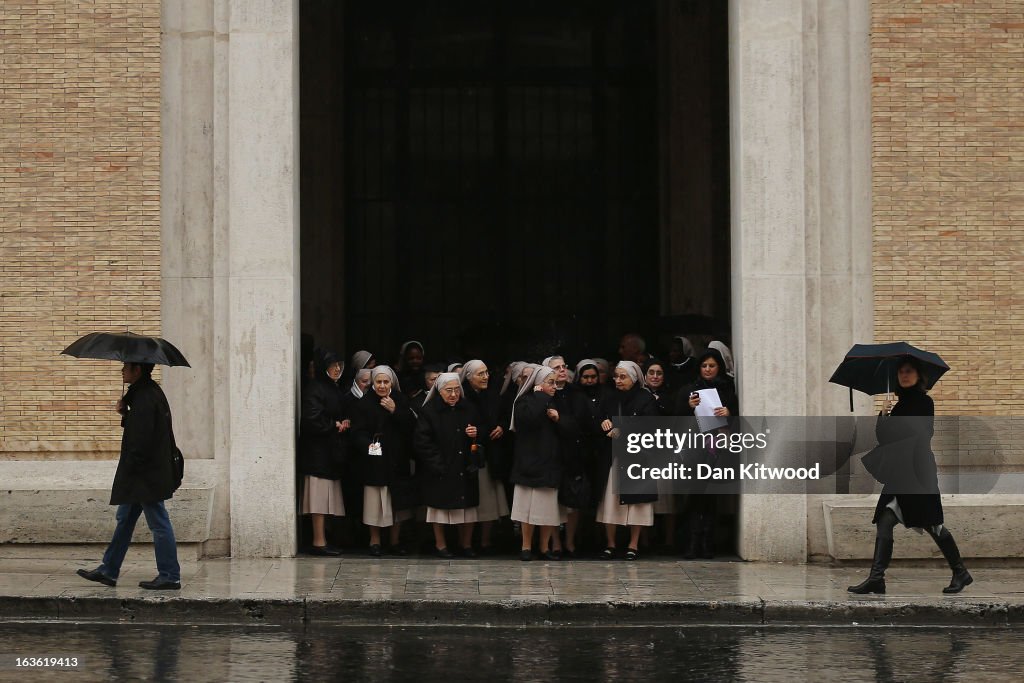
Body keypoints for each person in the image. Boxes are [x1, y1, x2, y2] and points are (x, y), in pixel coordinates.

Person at [848, 357, 973, 595]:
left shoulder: (924, 402)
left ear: (918, 376)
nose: (904, 375)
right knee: (884, 521)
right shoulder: (899, 405)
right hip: (899, 474)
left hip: (917, 474)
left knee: (933, 525)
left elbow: (921, 432)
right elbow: (884, 438)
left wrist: (895, 423)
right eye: (901, 372)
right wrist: (883, 415)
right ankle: (877, 578)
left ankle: (960, 572)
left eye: (909, 371)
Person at [77, 362, 182, 590]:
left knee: (159, 523)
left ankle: (170, 575)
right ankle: (109, 570)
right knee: (125, 520)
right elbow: (142, 429)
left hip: (145, 475)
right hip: (143, 474)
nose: (122, 370)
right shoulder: (144, 393)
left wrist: (132, 469)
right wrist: (125, 412)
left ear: (137, 370)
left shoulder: (145, 396)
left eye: (126, 367)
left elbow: (141, 440)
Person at [676, 348, 739, 559]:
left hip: (717, 448)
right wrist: (689, 406)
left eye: (712, 365)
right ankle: (692, 543)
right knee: (694, 495)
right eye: (704, 365)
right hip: (694, 447)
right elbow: (675, 417)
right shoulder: (689, 390)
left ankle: (708, 543)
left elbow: (738, 418)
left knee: (711, 496)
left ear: (719, 367)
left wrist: (728, 413)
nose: (708, 369)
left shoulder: (727, 390)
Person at [595, 361, 659, 560]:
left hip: (638, 458)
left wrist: (623, 431)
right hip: (614, 456)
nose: (618, 380)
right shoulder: (610, 397)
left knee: (638, 504)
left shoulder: (646, 398)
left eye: (623, 377)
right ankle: (611, 544)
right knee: (611, 502)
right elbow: (600, 417)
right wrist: (603, 421)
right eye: (616, 376)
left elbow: (651, 426)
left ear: (633, 378)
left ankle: (633, 544)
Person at [509, 366, 574, 561]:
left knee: (546, 510)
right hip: (528, 462)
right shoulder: (524, 401)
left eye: (556, 382)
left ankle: (544, 547)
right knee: (527, 511)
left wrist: (558, 418)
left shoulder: (558, 400)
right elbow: (528, 420)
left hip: (550, 462)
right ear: (538, 385)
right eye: (550, 382)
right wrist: (541, 398)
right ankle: (526, 546)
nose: (555, 386)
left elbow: (572, 426)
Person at [351, 365, 416, 556]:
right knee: (375, 503)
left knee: (397, 504)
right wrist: (368, 447)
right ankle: (375, 541)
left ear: (392, 382)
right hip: (375, 459)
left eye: (385, 382)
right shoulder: (364, 403)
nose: (382, 386)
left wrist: (395, 410)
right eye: (378, 382)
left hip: (397, 459)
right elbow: (357, 432)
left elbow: (412, 426)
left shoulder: (401, 400)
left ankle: (395, 541)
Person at [414, 373, 480, 558]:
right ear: (439, 391)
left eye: (456, 389)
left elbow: (482, 432)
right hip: (441, 468)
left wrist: (476, 433)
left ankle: (465, 544)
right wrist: (438, 465)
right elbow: (422, 442)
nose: (453, 394)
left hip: (465, 467)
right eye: (448, 390)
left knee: (467, 509)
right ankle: (441, 545)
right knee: (439, 511)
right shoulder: (429, 411)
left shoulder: (469, 409)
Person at [298, 349, 349, 556]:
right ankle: (319, 541)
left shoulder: (331, 387)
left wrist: (344, 422)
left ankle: (324, 538)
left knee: (327, 498)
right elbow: (311, 419)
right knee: (318, 498)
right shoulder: (316, 388)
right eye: (332, 365)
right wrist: (333, 425)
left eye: (339, 365)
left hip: (329, 451)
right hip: (317, 453)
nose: (337, 369)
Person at [460, 360, 511, 554]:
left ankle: (486, 541)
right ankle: (466, 543)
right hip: (471, 455)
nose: (485, 377)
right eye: (480, 374)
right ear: (469, 376)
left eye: (487, 372)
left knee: (490, 500)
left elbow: (503, 416)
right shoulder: (463, 397)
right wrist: (483, 430)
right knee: (471, 503)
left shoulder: (492, 395)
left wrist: (502, 427)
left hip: (491, 454)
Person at [644, 359, 677, 552]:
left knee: (668, 497)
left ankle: (669, 540)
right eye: (651, 372)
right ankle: (645, 541)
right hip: (644, 450)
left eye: (659, 373)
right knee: (646, 498)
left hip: (666, 449)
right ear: (645, 375)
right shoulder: (639, 395)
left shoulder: (670, 396)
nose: (655, 376)